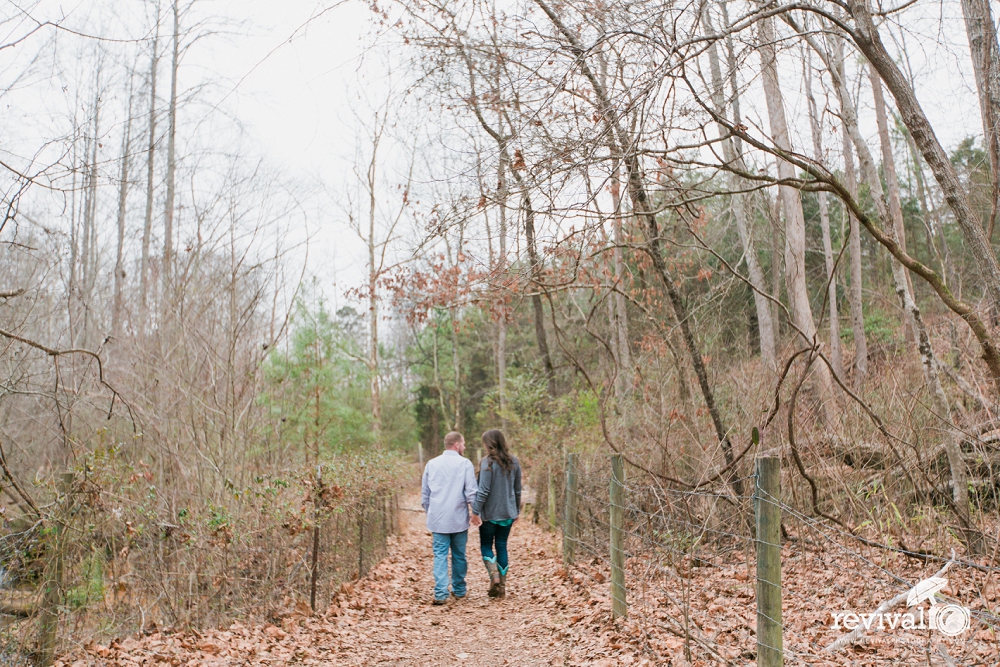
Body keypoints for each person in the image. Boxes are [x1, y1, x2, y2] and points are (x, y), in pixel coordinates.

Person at [421, 431, 481, 604]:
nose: (465, 447)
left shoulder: (431, 464)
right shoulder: (465, 464)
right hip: (458, 518)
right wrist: (475, 513)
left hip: (438, 518)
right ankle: (459, 589)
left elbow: (425, 494)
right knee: (459, 554)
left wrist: (430, 512)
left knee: (439, 555)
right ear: (456, 445)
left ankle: (440, 593)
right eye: (463, 443)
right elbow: (471, 492)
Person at [471, 429, 522, 598]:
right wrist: (516, 510)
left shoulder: (487, 463)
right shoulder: (514, 462)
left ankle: (494, 577)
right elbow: (517, 490)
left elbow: (483, 491)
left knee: (486, 545)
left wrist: (476, 511)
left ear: (489, 444)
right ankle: (502, 587)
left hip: (489, 514)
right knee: (501, 546)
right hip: (507, 512)